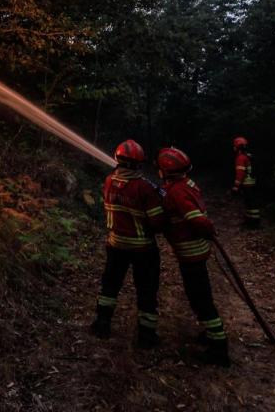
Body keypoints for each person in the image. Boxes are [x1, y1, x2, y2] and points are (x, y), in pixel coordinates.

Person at [157, 147, 230, 367]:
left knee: (200, 298)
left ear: (166, 171)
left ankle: (219, 349)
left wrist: (208, 228)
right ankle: (212, 334)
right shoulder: (184, 185)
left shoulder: (177, 191)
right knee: (199, 296)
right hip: (194, 251)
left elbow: (196, 220)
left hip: (191, 252)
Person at [91, 139, 165, 348]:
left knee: (110, 285)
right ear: (140, 163)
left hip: (116, 245)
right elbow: (157, 222)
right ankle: (146, 336)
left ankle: (102, 323)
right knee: (146, 290)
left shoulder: (108, 181)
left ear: (117, 160)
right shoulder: (144, 188)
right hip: (143, 249)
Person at [232, 136, 260, 228]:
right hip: (252, 182)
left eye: (234, 146)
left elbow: (240, 173)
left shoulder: (240, 158)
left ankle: (254, 223)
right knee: (250, 203)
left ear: (237, 147)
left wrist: (236, 187)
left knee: (250, 204)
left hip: (247, 184)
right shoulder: (249, 156)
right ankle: (250, 221)